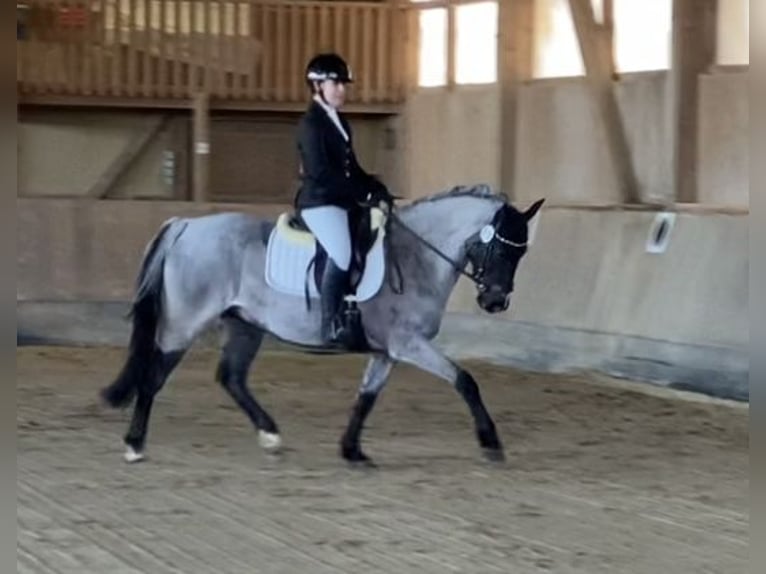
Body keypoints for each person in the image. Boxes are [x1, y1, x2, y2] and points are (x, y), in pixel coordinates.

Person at [294, 53, 393, 346]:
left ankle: (354, 313)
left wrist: (375, 187)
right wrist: (360, 193)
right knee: (341, 251)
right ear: (317, 86)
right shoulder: (311, 124)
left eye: (343, 85)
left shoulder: (340, 122)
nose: (341, 90)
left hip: (340, 200)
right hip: (319, 202)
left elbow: (351, 169)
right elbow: (322, 173)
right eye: (335, 84)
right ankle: (329, 325)